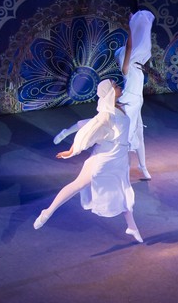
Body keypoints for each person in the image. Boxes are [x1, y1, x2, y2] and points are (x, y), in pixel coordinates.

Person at [34, 79, 143, 243]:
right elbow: (88, 132)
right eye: (115, 85)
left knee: (124, 191)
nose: (119, 86)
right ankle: (47, 212)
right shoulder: (106, 116)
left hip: (118, 158)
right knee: (77, 185)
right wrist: (72, 150)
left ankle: (132, 227)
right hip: (105, 159)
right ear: (109, 92)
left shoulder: (116, 107)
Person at [54, 10, 155, 180]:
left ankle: (143, 168)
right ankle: (68, 132)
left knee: (139, 135)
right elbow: (130, 47)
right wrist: (130, 27)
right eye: (127, 55)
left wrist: (140, 30)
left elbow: (139, 47)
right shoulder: (126, 69)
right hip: (128, 104)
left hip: (137, 104)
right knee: (100, 125)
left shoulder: (138, 67)